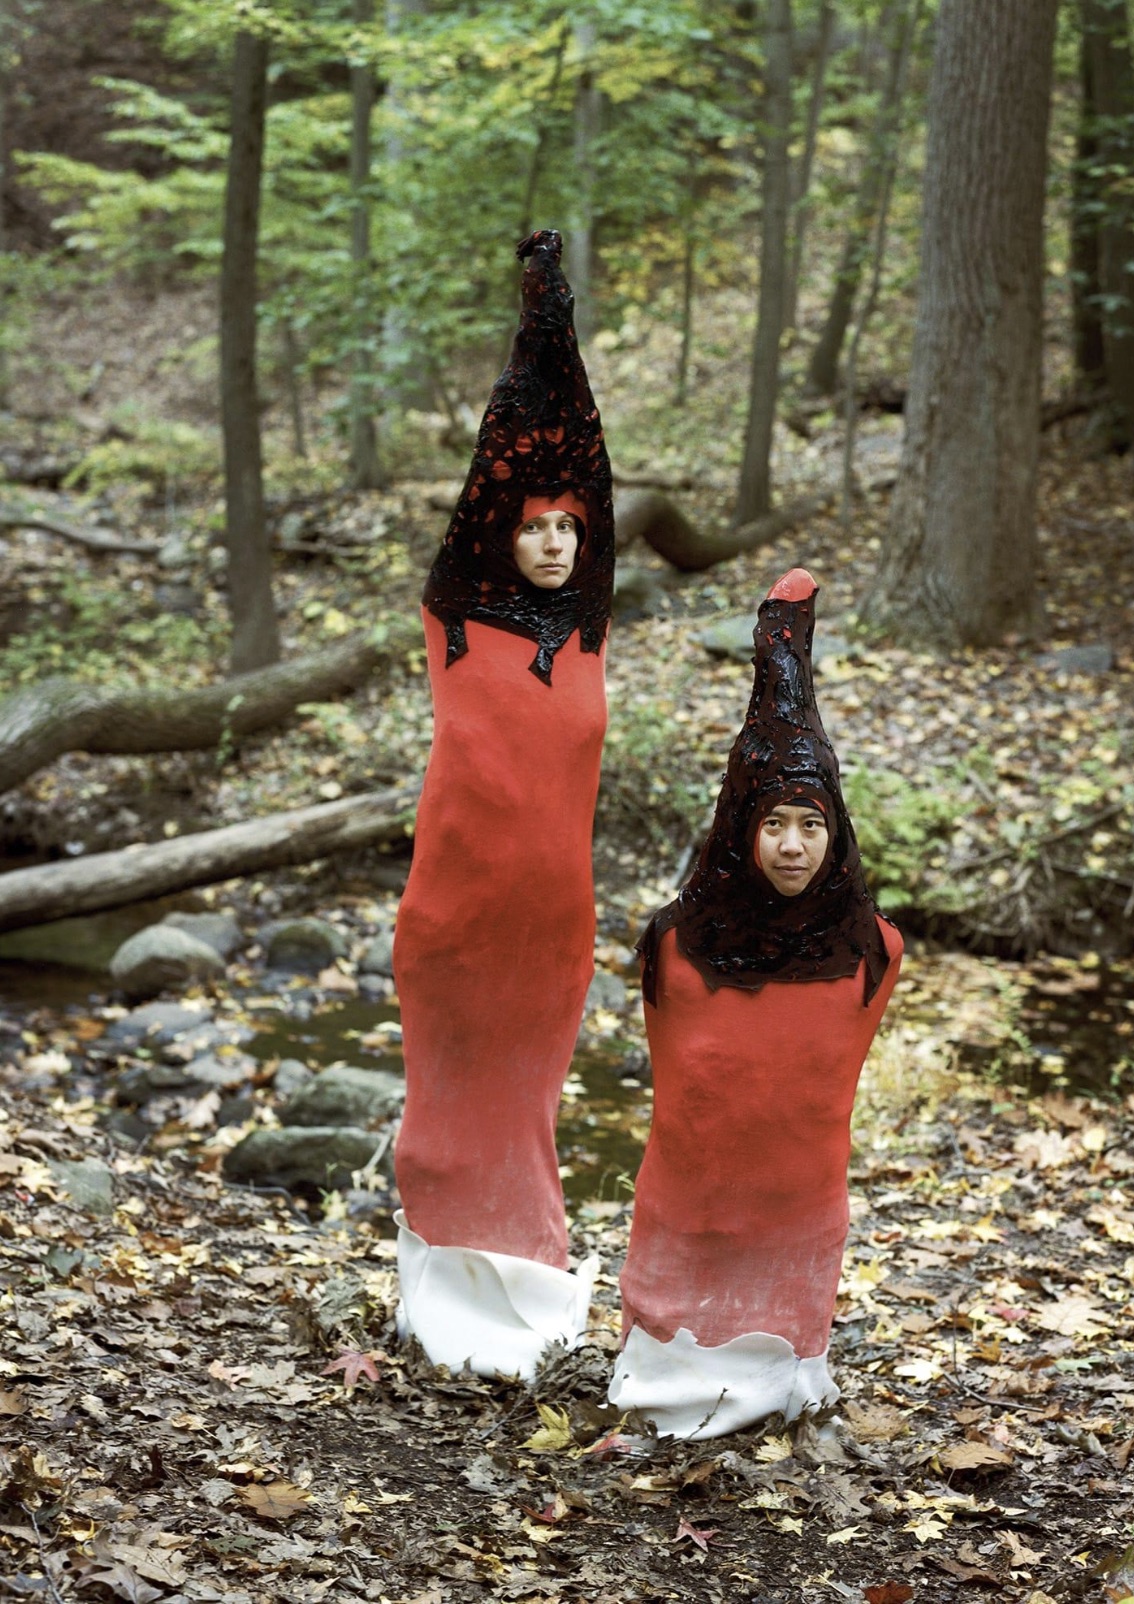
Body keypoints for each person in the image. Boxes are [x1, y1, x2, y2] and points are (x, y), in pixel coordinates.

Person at [609, 567, 902, 1438]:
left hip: (797, 1225)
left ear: (837, 834)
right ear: (741, 831)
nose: (792, 844)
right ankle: (669, 1377)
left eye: (812, 824)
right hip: (687, 1222)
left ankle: (781, 1379)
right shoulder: (673, 945)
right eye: (774, 822)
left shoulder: (873, 951)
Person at [392, 230, 613, 1379]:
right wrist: (539, 322)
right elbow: (497, 469)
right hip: (455, 917)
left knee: (526, 1105)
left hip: (550, 924)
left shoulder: (588, 632)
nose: (553, 538)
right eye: (535, 524)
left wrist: (561, 342)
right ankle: (439, 1300)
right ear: (502, 533)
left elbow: (595, 480)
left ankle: (524, 1291)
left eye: (568, 526)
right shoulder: (455, 620)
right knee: (447, 1110)